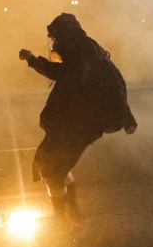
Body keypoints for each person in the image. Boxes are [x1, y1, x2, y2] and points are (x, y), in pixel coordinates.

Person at [19, 13, 137, 229]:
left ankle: (61, 221)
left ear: (64, 35)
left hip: (77, 126)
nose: (53, 43)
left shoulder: (78, 53)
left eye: (54, 38)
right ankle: (70, 211)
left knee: (51, 168)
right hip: (74, 124)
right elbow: (115, 83)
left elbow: (70, 75)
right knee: (53, 165)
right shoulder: (88, 49)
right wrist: (128, 116)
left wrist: (33, 60)